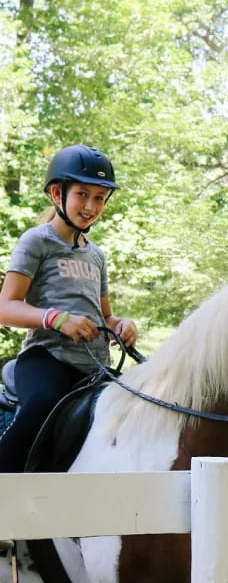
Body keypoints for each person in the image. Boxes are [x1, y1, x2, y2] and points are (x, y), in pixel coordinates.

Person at [0, 144, 137, 473]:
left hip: (93, 369)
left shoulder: (96, 255)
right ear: (56, 194)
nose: (91, 206)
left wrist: (121, 325)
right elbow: (5, 307)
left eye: (100, 197)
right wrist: (56, 318)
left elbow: (104, 316)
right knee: (40, 406)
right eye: (82, 194)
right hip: (47, 358)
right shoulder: (37, 241)